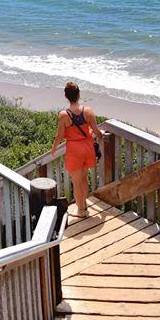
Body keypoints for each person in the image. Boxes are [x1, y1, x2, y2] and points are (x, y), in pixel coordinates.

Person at [51, 82, 104, 218]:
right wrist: (101, 135)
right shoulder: (88, 111)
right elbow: (97, 131)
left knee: (76, 181)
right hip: (88, 147)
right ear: (79, 94)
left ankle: (81, 211)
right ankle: (84, 205)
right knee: (84, 178)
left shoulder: (64, 115)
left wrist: (54, 148)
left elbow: (59, 135)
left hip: (75, 149)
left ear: (66, 96)